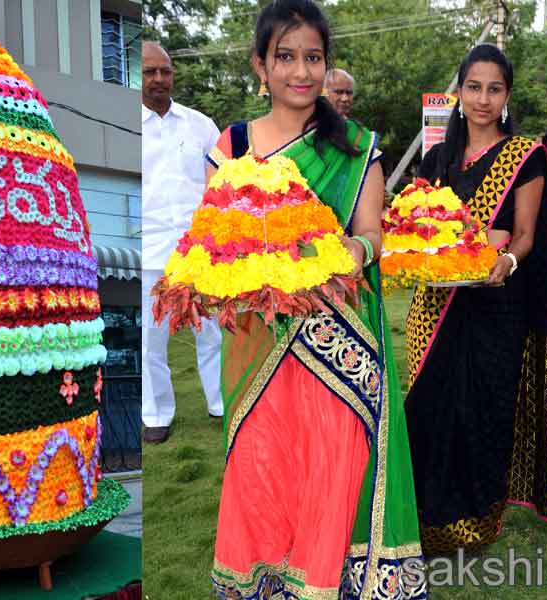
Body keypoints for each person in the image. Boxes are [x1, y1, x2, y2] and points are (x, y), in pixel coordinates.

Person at [207, 2, 426, 598]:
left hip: (339, 328)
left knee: (334, 465)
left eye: (313, 57)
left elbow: (372, 233)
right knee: (264, 463)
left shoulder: (356, 145)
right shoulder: (234, 144)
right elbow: (214, 237)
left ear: (327, 66)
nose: (301, 71)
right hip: (259, 337)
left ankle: (332, 582)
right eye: (286, 57)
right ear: (260, 65)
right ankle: (269, 581)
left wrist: (347, 253)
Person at [406, 44, 547, 555]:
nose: (482, 98)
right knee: (429, 405)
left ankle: (475, 517)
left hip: (497, 303)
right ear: (459, 92)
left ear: (507, 96)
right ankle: (423, 514)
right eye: (473, 87)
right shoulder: (438, 159)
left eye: (493, 88)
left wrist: (509, 262)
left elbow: (524, 234)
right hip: (436, 302)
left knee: (482, 409)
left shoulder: (525, 156)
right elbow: (419, 228)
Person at [141, 41, 223, 444]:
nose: (159, 79)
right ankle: (156, 414)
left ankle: (221, 403)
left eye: (165, 71)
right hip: (149, 250)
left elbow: (221, 185)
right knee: (151, 339)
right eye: (149, 72)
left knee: (213, 331)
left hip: (199, 250)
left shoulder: (200, 125)